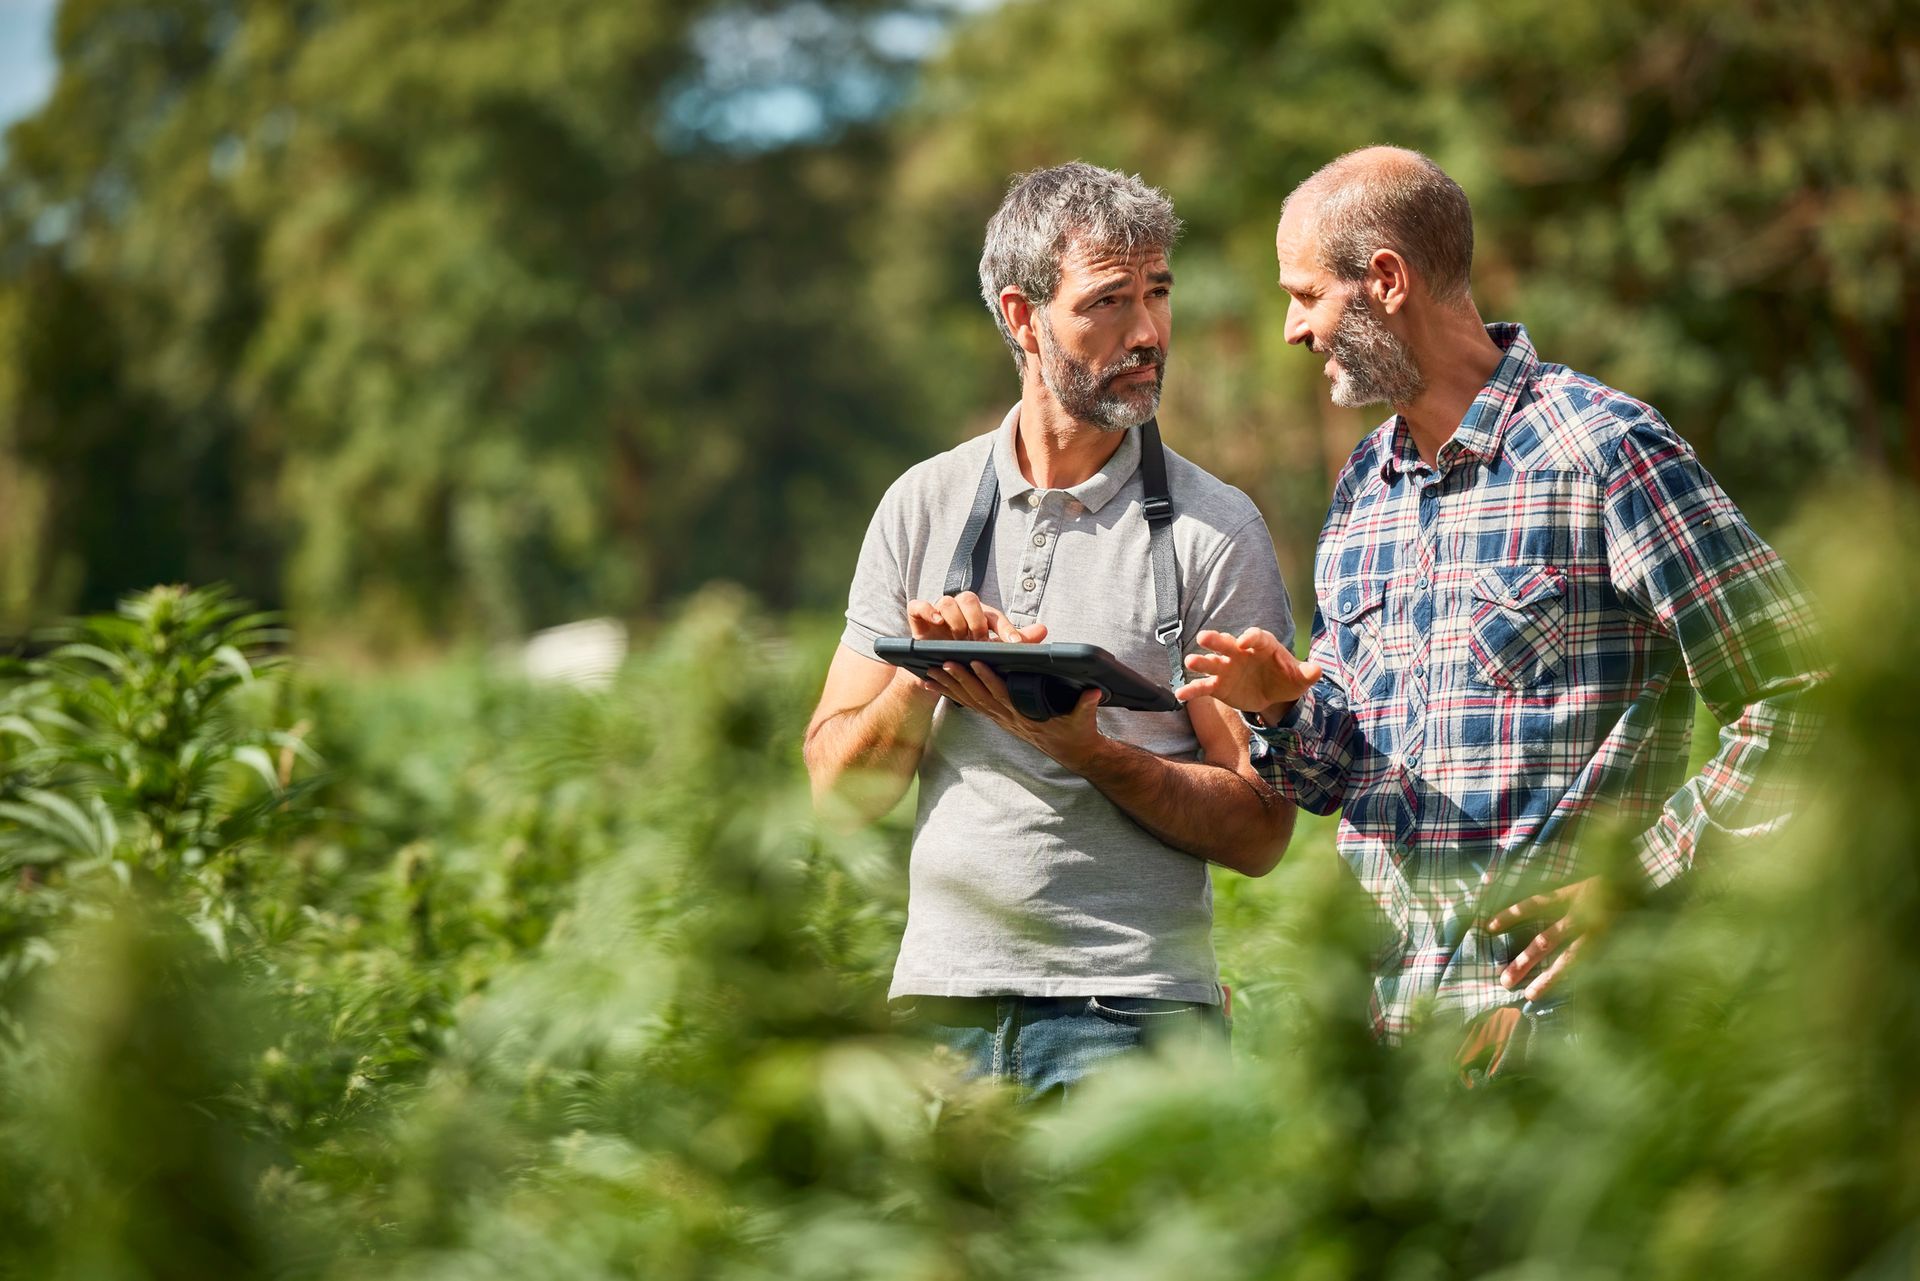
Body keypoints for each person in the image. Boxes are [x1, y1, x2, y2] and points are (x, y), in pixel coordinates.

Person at [1177, 147, 1826, 1064]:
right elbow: (1350, 780)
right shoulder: (1364, 486)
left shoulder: (1605, 450)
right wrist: (1281, 706)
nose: (1292, 329)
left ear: (1386, 281)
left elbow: (1803, 688)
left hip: (1582, 1039)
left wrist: (1638, 881)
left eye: (1306, 294)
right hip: (1399, 1043)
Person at [803, 162, 1298, 1097]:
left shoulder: (1212, 528)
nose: (1149, 332)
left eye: (1158, 294)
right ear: (1023, 317)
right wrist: (932, 673)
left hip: (1132, 1021)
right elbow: (835, 792)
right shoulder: (922, 504)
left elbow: (1262, 830)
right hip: (937, 1018)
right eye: (1108, 301)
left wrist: (1094, 752)